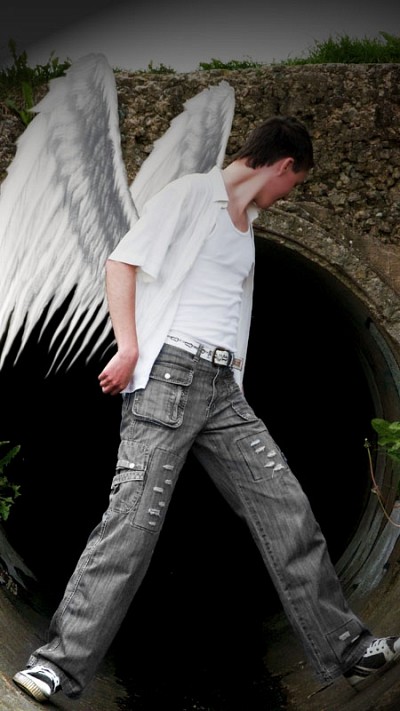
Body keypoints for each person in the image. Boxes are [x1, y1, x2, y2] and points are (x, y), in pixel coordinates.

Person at [13, 116, 400, 703]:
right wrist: (128, 347)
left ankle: (349, 649)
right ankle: (56, 666)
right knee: (132, 525)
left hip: (223, 392)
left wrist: (234, 381)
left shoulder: (246, 225)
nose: (289, 193)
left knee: (287, 512)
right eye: (294, 182)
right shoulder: (191, 195)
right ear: (283, 165)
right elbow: (121, 262)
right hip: (167, 379)